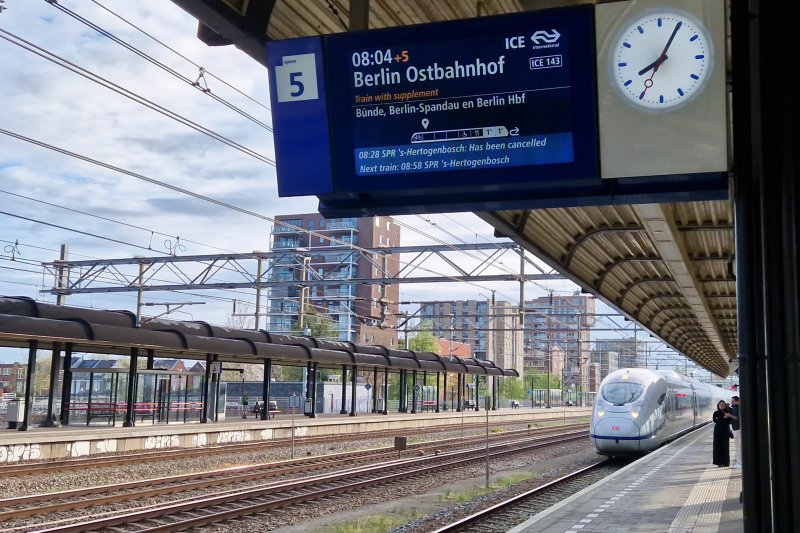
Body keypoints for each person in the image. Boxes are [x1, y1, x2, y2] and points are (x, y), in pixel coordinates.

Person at [712, 399, 733, 467]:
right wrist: (724, 418)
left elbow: (729, 421)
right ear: (718, 405)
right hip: (717, 431)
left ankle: (725, 462)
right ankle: (718, 462)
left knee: (725, 446)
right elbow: (714, 420)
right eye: (720, 405)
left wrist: (723, 418)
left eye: (723, 405)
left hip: (725, 430)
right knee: (717, 446)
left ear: (725, 406)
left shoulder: (728, 412)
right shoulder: (715, 412)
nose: (722, 406)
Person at [730, 396, 741, 468]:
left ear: (738, 401)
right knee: (737, 446)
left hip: (738, 429)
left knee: (739, 446)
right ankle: (738, 462)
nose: (731, 402)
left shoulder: (740, 408)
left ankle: (740, 462)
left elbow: (738, 418)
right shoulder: (735, 408)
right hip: (735, 429)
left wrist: (730, 415)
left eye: (733, 401)